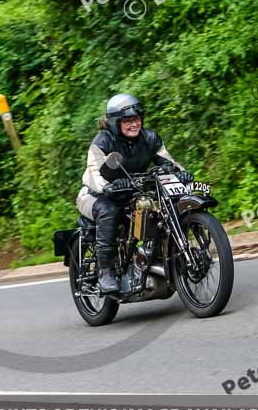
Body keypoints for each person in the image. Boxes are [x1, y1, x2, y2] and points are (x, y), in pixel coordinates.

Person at [75, 93, 192, 294]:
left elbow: (167, 161)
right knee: (109, 211)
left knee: (160, 206)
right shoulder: (102, 141)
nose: (134, 124)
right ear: (115, 122)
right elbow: (95, 172)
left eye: (136, 119)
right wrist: (108, 187)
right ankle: (106, 273)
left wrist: (179, 173)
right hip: (95, 194)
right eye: (127, 120)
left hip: (131, 191)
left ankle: (159, 256)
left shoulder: (150, 138)